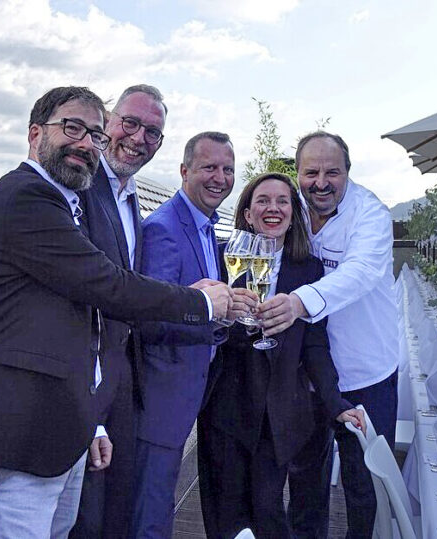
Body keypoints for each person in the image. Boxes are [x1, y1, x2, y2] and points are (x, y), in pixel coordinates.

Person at [0, 87, 232, 539]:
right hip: (9, 439)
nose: (85, 142)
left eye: (93, 134)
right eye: (72, 128)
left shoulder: (66, 203)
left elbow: (80, 323)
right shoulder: (26, 199)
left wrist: (89, 420)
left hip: (56, 432)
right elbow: (108, 286)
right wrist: (204, 302)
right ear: (35, 133)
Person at [198, 172, 365, 539]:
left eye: (282, 201)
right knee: (226, 517)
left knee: (269, 513)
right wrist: (232, 319)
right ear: (247, 213)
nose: (272, 208)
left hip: (278, 415)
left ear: (293, 214)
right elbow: (209, 329)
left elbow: (315, 343)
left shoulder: (309, 269)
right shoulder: (227, 260)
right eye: (262, 200)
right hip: (228, 408)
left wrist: (335, 401)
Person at [258, 132, 399, 538]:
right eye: (311, 172)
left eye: (332, 172)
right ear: (298, 174)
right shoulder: (293, 208)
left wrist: (298, 302)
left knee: (363, 487)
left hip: (364, 374)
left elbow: (360, 274)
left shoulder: (370, 214)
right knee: (306, 484)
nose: (321, 182)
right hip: (308, 375)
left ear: (348, 173)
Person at [131, 132, 255, 538]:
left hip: (186, 392)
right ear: (184, 171)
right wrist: (211, 319)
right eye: (209, 167)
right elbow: (150, 320)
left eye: (227, 169)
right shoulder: (164, 228)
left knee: (160, 502)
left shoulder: (206, 226)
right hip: (160, 399)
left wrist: (224, 313)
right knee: (150, 510)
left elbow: (202, 303)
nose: (219, 177)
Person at [72, 84, 167, 539]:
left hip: (124, 379)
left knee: (116, 511)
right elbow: (87, 294)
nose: (138, 137)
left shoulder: (133, 200)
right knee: (85, 517)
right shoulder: (82, 188)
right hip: (85, 380)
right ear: (108, 121)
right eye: (130, 122)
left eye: (153, 132)